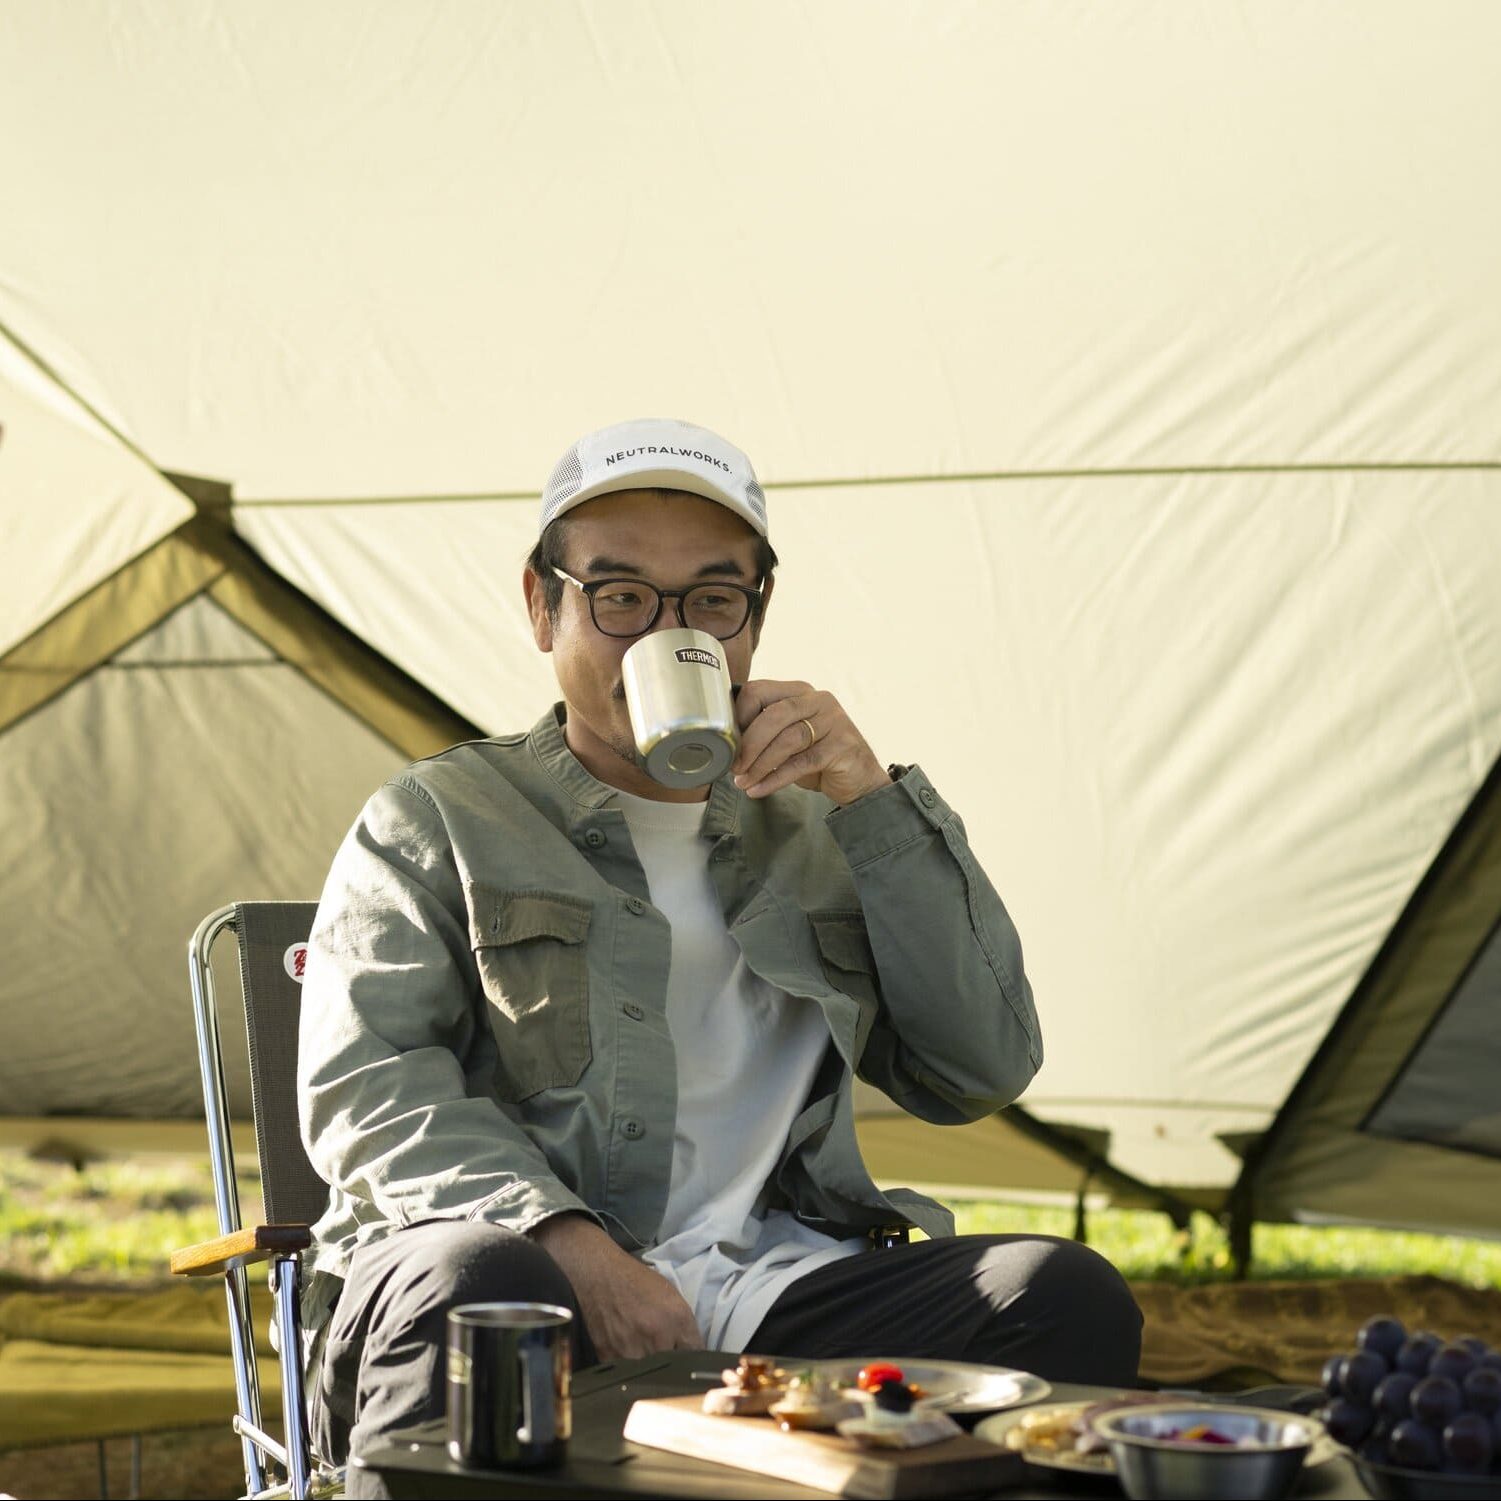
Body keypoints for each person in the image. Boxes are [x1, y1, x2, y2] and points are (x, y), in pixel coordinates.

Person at [297, 417, 1141, 1482]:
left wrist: (875, 804)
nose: (662, 632)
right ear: (540, 605)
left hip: (769, 1285)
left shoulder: (822, 826)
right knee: (486, 1283)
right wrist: (572, 1245)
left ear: (753, 617)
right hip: (514, 1271)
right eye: (618, 596)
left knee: (1057, 1294)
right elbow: (370, 1093)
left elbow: (979, 1067)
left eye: (708, 598)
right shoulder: (437, 817)